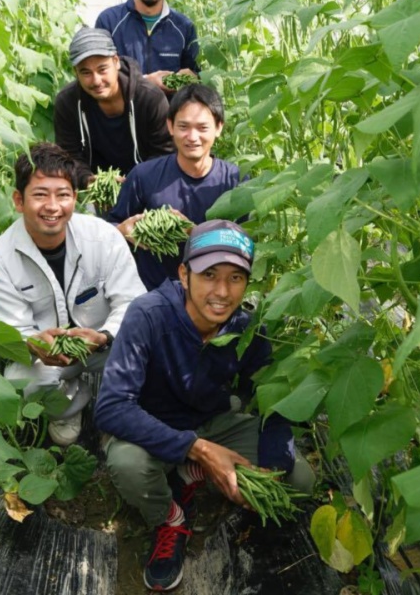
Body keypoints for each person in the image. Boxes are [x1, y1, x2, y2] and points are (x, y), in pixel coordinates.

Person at [93, 220, 314, 592]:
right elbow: (111, 408)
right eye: (209, 274)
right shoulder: (148, 315)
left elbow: (273, 400)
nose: (222, 292)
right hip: (150, 428)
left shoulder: (246, 327)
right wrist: (199, 449)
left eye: (236, 278)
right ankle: (170, 518)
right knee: (128, 466)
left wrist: (270, 470)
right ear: (184, 274)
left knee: (300, 480)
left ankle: (190, 475)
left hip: (213, 420)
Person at [0, 143, 146, 446]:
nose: (53, 206)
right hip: (45, 356)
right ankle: (71, 405)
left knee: (146, 354)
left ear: (75, 198)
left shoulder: (103, 236)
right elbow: (9, 331)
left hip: (102, 346)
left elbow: (131, 301)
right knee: (21, 381)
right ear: (19, 200)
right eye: (40, 195)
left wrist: (104, 336)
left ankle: (118, 410)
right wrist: (32, 342)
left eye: (63, 195)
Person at [106, 83, 241, 290]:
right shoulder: (144, 176)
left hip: (215, 295)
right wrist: (121, 231)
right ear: (170, 126)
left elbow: (245, 244)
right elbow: (108, 230)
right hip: (153, 296)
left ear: (219, 128)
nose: (192, 137)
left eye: (202, 128)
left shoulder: (235, 181)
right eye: (183, 127)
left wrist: (194, 233)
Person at [53, 27, 174, 184]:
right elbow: (68, 155)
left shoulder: (149, 98)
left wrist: (134, 182)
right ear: (76, 73)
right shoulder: (67, 102)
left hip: (146, 185)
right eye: (86, 73)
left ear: (116, 62)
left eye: (102, 69)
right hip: (95, 190)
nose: (96, 81)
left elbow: (164, 153)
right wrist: (89, 180)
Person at [95, 0, 199, 93]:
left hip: (168, 114)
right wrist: (146, 82)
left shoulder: (184, 27)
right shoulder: (109, 22)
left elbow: (194, 76)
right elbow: (99, 74)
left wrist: (176, 80)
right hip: (125, 113)